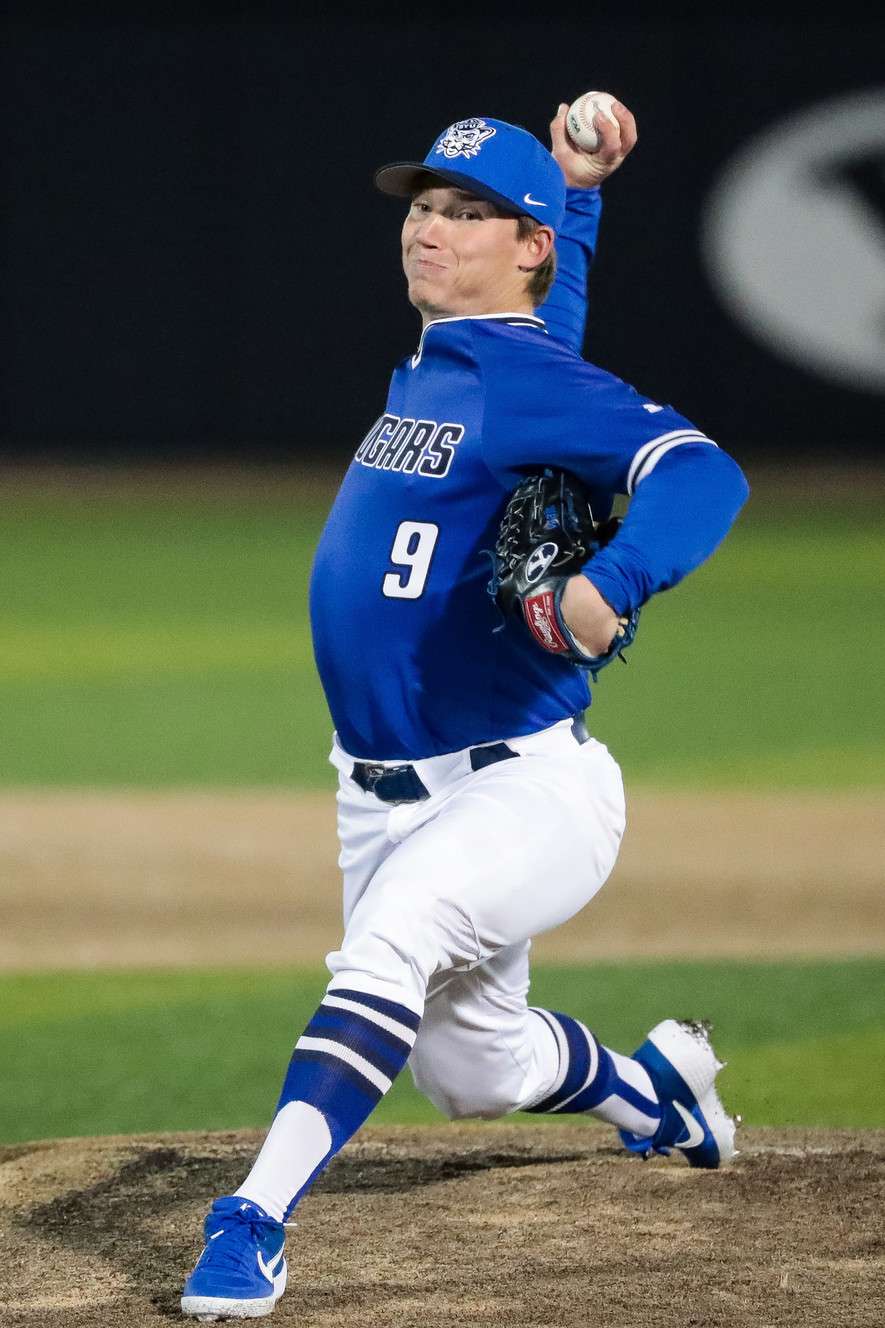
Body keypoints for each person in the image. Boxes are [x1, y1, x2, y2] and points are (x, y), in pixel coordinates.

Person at [181, 101, 749, 1322]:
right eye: (424, 207)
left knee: (387, 948)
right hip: (381, 789)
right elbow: (545, 354)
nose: (428, 229)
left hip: (523, 786)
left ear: (522, 243)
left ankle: (253, 1218)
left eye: (466, 211)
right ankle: (658, 1092)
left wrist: (613, 579)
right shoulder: (464, 356)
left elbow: (706, 470)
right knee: (475, 1069)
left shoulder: (519, 370)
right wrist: (580, 196)